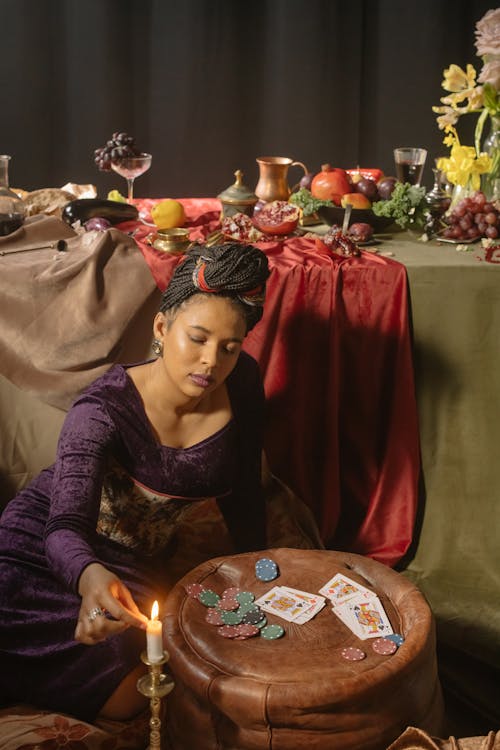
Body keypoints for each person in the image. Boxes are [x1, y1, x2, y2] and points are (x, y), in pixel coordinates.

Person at [0, 242, 271, 723]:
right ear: (162, 328)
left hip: (137, 567)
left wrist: (258, 569)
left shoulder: (243, 382)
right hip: (44, 548)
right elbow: (63, 526)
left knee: (139, 687)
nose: (211, 361)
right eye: (198, 338)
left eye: (230, 346)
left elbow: (245, 490)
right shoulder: (101, 410)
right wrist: (87, 576)